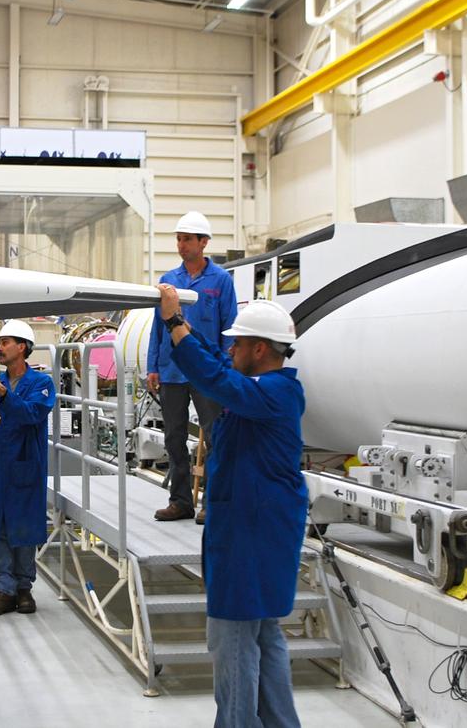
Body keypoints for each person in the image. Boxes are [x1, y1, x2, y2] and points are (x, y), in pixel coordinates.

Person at [156, 284, 307, 728]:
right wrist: (187, 332)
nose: (231, 348)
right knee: (264, 634)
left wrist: (173, 323)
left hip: (252, 534)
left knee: (233, 638)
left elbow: (216, 378)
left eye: (238, 342)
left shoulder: (274, 393)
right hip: (253, 529)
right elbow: (221, 367)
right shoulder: (261, 387)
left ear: (260, 348)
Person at [147, 210, 238, 524]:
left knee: (215, 437)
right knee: (173, 437)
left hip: (208, 371)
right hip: (172, 369)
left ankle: (211, 503)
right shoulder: (168, 281)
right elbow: (158, 329)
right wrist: (152, 367)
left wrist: (226, 367)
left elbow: (229, 326)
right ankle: (181, 501)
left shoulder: (221, 280)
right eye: (179, 238)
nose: (181, 244)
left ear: (204, 242)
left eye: (187, 239)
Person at [0, 319, 56, 618]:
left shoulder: (41, 384)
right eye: (0, 342)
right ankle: (3, 589)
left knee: (24, 526)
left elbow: (32, 414)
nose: (0, 347)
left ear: (22, 347)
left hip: (25, 464)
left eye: (6, 342)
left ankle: (24, 589)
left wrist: (3, 396)